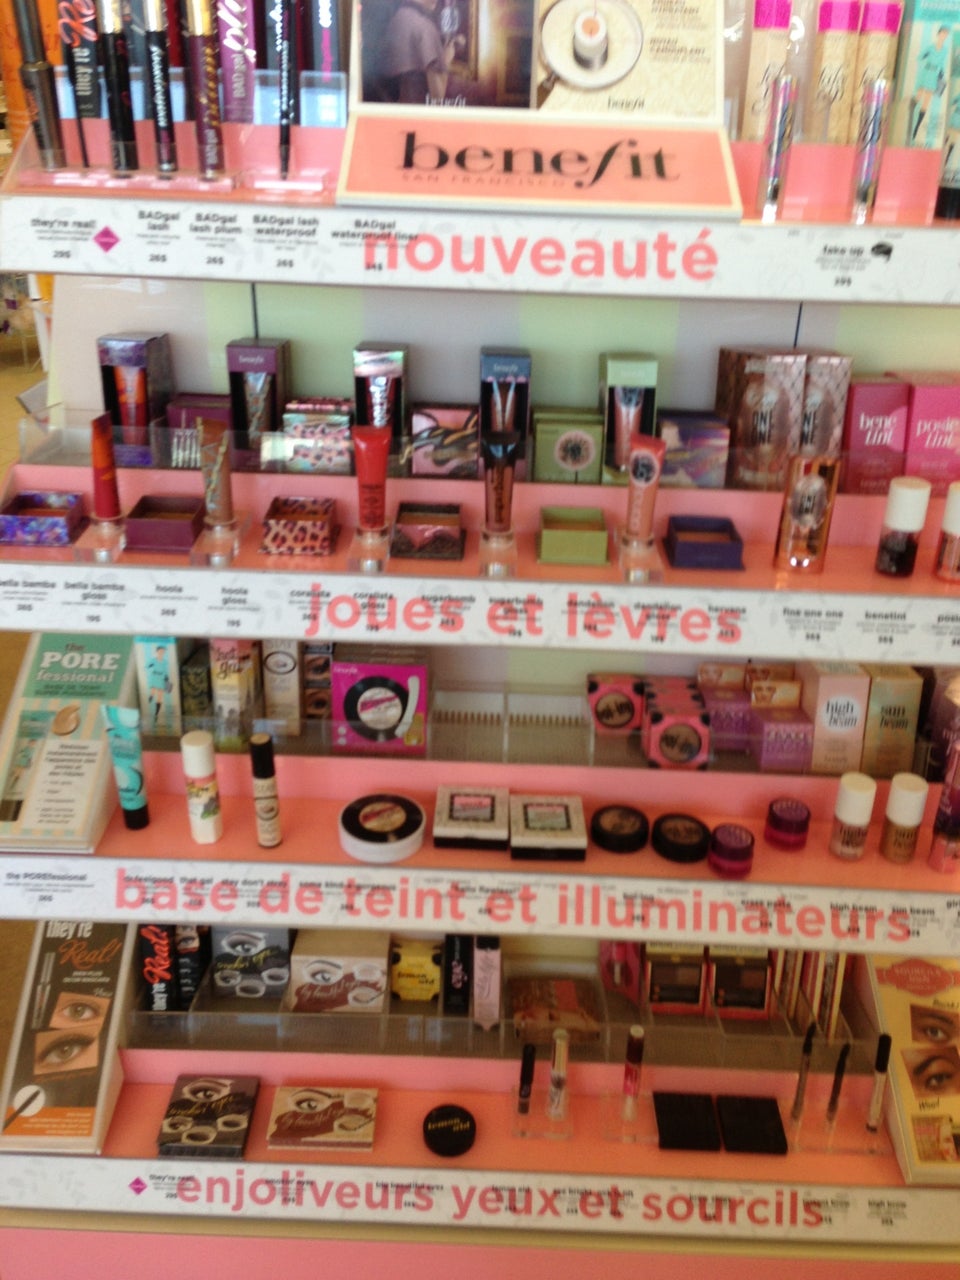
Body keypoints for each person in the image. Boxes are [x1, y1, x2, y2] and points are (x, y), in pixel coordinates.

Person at [375, 0, 464, 104]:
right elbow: (437, 98)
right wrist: (446, 60)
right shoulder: (426, 29)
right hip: (418, 111)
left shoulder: (398, 18)